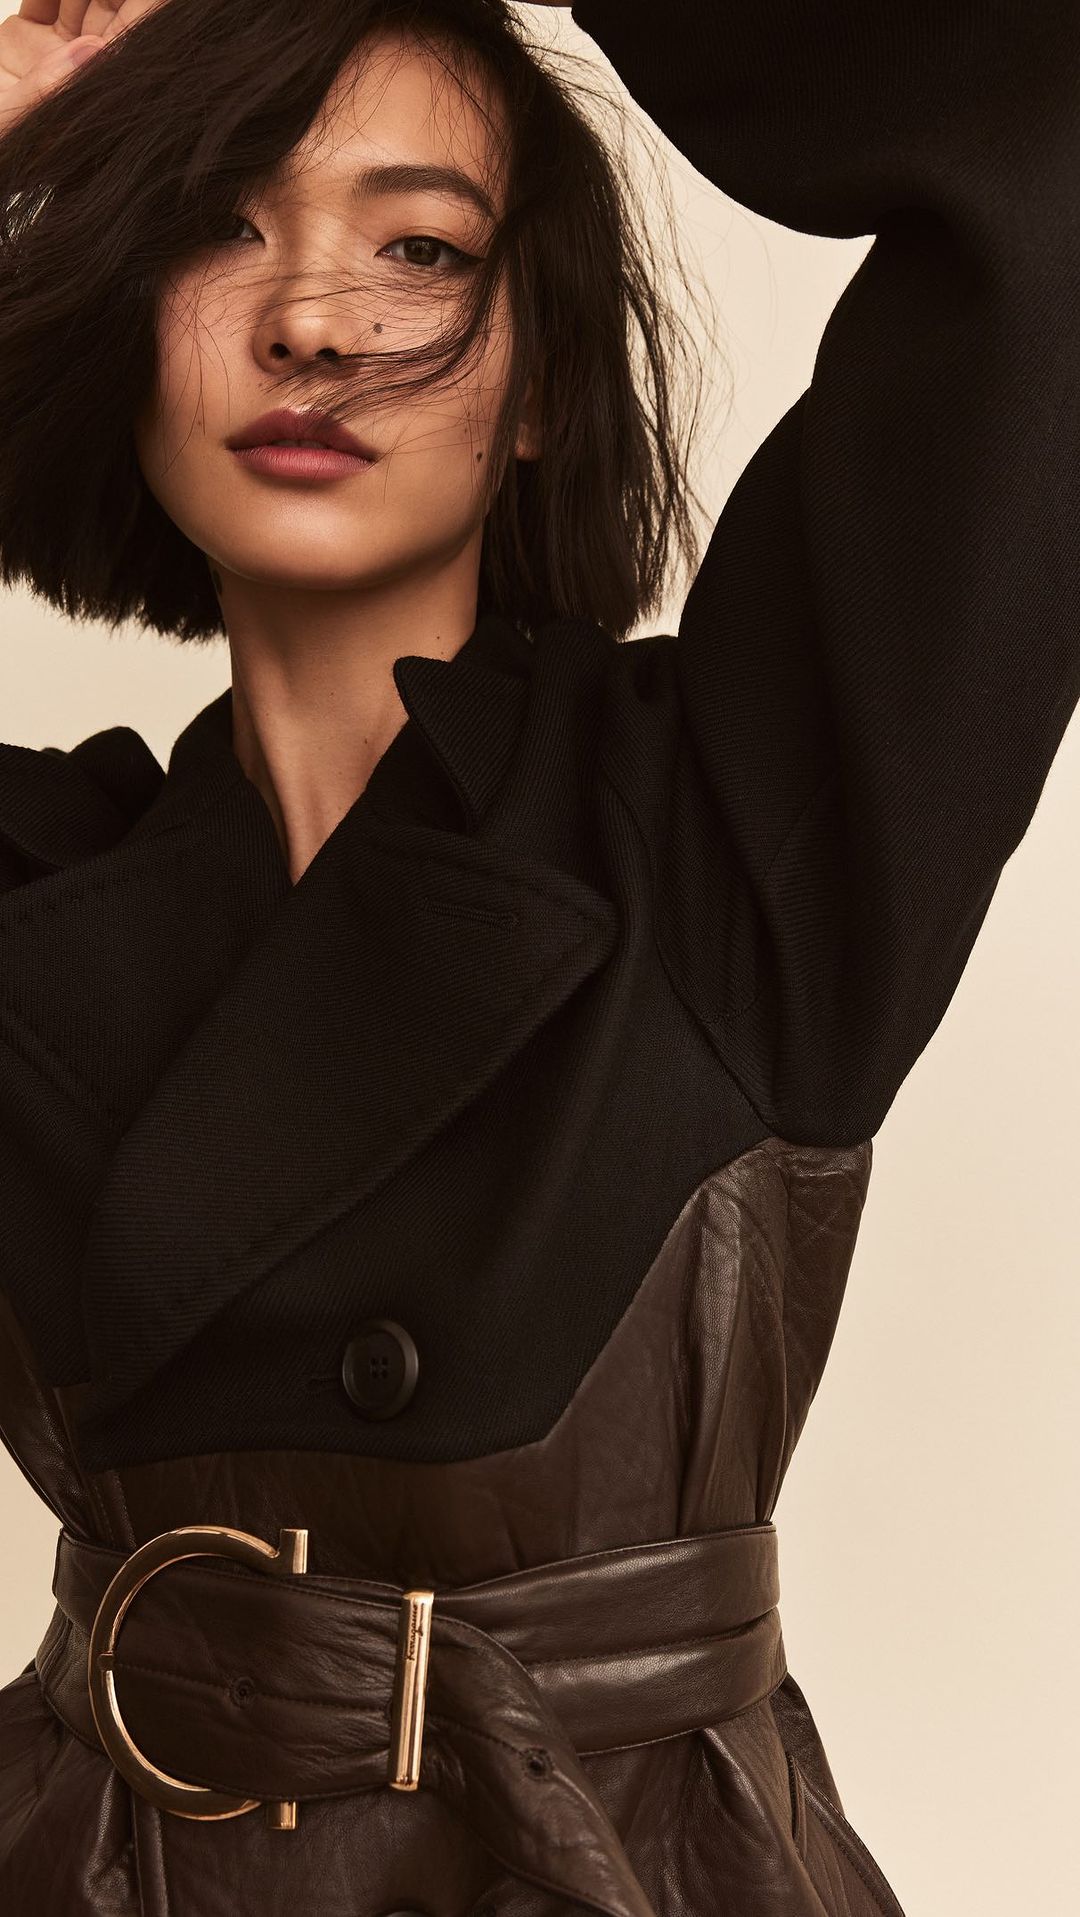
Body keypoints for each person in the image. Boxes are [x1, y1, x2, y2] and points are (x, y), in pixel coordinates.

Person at [0, 2, 1076, 1914]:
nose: (312, 317)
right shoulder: (37, 895)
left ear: (542, 381)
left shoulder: (737, 837)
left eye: (419, 246)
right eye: (218, 227)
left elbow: (1052, 171)